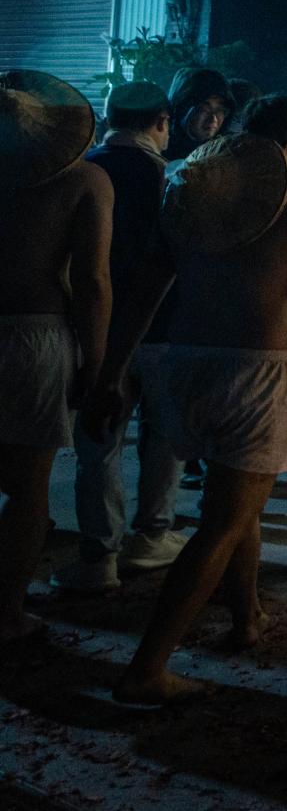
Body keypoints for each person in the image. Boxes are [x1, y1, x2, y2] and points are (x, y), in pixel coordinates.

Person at [101, 102, 287, 703]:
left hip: (184, 367)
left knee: (240, 503)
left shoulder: (189, 203)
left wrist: (113, 369)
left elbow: (142, 290)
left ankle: (246, 617)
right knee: (221, 523)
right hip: (253, 373)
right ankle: (147, 669)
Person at [57, 82, 186, 594]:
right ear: (161, 121)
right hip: (161, 326)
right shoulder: (169, 178)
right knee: (164, 437)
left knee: (99, 441)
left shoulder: (81, 172)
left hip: (92, 327)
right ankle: (152, 535)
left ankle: (98, 555)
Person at [0, 70, 111, 644]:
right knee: (27, 486)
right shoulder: (85, 180)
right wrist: (97, 364)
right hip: (34, 338)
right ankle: (7, 614)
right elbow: (92, 280)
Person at [163, 67, 234, 164]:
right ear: (183, 108)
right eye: (204, 110)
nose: (213, 119)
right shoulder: (160, 152)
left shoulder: (227, 153)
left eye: (220, 110)